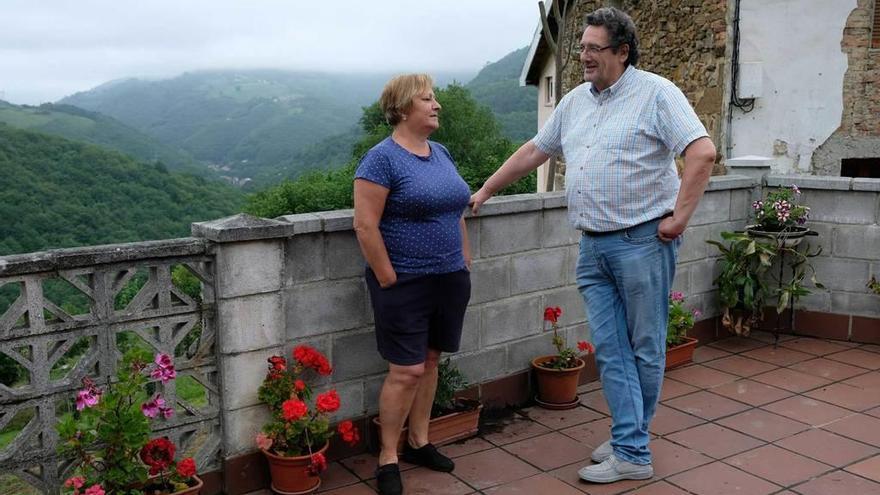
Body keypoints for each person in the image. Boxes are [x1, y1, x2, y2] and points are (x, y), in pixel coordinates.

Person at [470, 7, 716, 484]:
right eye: (581, 47)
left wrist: (679, 218)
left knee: (644, 347)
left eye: (592, 48)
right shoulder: (575, 101)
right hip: (593, 246)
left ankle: (631, 449)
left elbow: (702, 151)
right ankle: (631, 438)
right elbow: (534, 150)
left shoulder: (656, 94)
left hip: (643, 241)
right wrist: (485, 190)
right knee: (610, 349)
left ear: (622, 53)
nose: (582, 55)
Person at [353, 73, 472, 495]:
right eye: (427, 99)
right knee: (406, 370)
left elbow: (456, 208)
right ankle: (388, 456)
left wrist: (464, 259)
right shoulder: (380, 159)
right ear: (403, 109)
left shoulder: (440, 153)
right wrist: (388, 278)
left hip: (449, 277)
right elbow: (365, 225)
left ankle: (421, 441)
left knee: (433, 360)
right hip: (404, 280)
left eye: (435, 97)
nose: (437, 104)